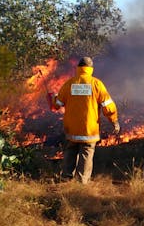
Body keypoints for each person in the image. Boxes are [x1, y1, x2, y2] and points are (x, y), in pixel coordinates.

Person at [50, 56, 119, 184]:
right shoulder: (96, 84)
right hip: (89, 129)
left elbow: (58, 104)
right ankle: (81, 182)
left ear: (78, 68)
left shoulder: (70, 83)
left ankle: (66, 177)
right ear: (90, 69)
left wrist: (53, 98)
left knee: (70, 151)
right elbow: (108, 106)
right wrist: (114, 121)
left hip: (72, 129)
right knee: (86, 154)